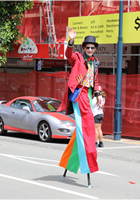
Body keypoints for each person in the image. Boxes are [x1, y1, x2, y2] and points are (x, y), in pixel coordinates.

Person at [57, 27, 102, 187]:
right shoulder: (77, 57)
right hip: (79, 94)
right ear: (83, 48)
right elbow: (67, 55)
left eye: (92, 47)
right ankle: (90, 155)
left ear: (95, 49)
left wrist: (98, 95)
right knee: (87, 127)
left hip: (88, 95)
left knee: (81, 131)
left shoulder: (95, 62)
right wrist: (71, 41)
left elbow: (95, 82)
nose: (90, 50)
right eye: (87, 47)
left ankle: (68, 162)